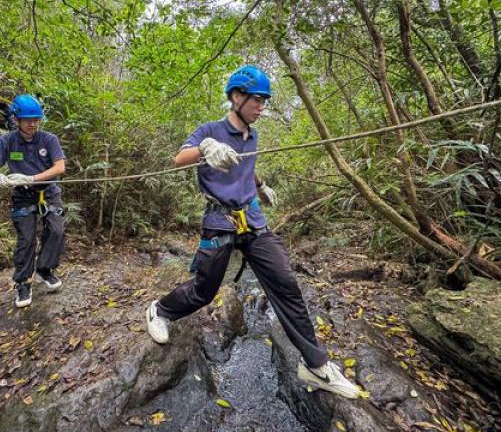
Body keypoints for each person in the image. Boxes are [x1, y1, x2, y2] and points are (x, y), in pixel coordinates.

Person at [144, 65, 360, 399]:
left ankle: (316, 365)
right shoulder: (210, 130)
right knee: (204, 290)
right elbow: (178, 159)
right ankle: (159, 309)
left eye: (265, 101)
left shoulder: (253, 136)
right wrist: (205, 149)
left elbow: (248, 164)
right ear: (236, 97)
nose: (262, 107)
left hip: (254, 222)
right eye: (257, 100)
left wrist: (261, 185)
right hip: (220, 220)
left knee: (285, 284)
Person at [0, 94, 66, 308]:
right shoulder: (7, 141)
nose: (33, 123)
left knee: (56, 231)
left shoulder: (49, 140)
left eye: (36, 119)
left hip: (48, 191)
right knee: (26, 239)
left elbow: (59, 167)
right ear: (16, 120)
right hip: (22, 195)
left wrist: (33, 178)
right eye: (28, 119)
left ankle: (45, 269)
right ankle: (22, 282)